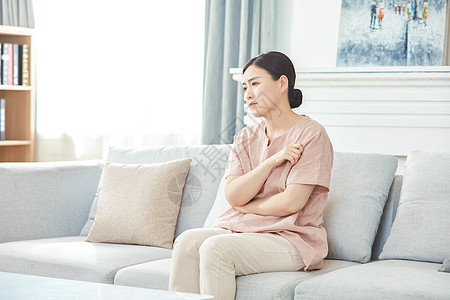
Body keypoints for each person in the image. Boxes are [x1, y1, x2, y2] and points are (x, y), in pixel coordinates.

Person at [168, 51, 334, 300]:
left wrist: (246, 206)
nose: (248, 94)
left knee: (215, 248)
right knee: (186, 243)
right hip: (243, 230)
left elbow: (291, 203)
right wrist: (271, 162)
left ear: (282, 83)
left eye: (255, 83)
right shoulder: (245, 138)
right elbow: (234, 195)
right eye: (245, 86)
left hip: (290, 238)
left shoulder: (311, 134)